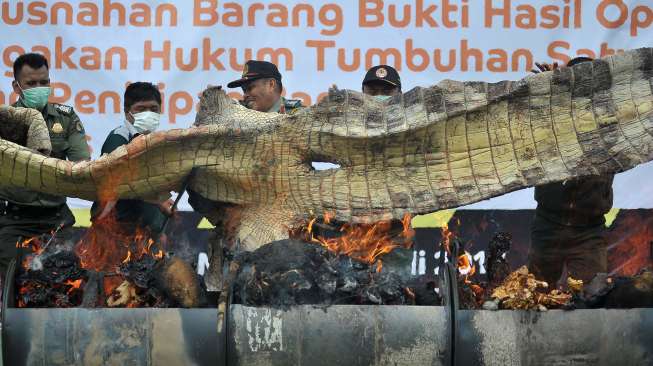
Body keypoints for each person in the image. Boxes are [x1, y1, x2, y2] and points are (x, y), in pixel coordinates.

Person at [0, 53, 90, 275]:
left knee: (65, 286)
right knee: (11, 290)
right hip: (15, 220)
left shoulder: (66, 118)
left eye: (44, 82)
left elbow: (82, 166)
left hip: (56, 220)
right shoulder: (5, 121)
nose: (39, 87)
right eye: (31, 83)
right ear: (17, 86)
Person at [528, 56, 615, 286]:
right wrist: (547, 92)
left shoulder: (611, 117)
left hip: (589, 232)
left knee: (592, 299)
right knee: (533, 297)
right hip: (548, 225)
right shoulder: (551, 116)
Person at [90, 82, 173, 238]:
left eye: (153, 109)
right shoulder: (118, 138)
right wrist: (157, 199)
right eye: (141, 109)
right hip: (119, 234)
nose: (148, 114)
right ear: (127, 112)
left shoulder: (155, 141)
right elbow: (117, 184)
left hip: (148, 235)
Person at [227, 60, 302, 114]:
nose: (245, 95)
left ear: (271, 85)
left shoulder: (298, 115)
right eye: (244, 90)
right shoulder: (240, 118)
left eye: (250, 88)